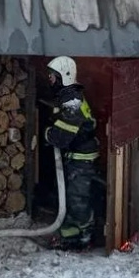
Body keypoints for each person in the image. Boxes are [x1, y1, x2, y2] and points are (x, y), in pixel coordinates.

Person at [42, 56, 100, 250]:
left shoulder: (72, 100)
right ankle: (70, 236)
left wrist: (47, 133)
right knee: (66, 197)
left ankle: (87, 233)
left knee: (77, 198)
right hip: (74, 157)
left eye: (52, 76)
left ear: (62, 76)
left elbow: (61, 137)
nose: (49, 80)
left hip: (82, 159)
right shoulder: (66, 96)